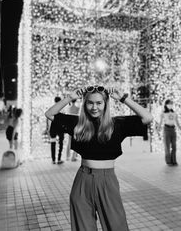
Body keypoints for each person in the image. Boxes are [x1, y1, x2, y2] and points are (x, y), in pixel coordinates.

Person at [45, 85, 153, 231]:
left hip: (107, 180)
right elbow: (50, 114)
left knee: (116, 225)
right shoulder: (79, 124)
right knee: (82, 227)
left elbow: (148, 117)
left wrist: (123, 98)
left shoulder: (117, 124)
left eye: (99, 103)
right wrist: (70, 97)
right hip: (83, 180)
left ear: (105, 104)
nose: (94, 107)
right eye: (90, 102)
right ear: (85, 104)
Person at [157, 99, 181, 166]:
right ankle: (168, 161)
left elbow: (177, 122)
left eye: (171, 103)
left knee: (174, 146)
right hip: (166, 129)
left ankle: (174, 160)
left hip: (173, 129)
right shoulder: (163, 113)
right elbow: (160, 122)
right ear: (166, 104)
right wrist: (158, 129)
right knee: (167, 146)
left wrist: (180, 128)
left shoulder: (174, 113)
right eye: (169, 103)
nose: (170, 105)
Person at [49, 96, 65, 164]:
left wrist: (47, 128)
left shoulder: (51, 108)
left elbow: (48, 118)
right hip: (60, 127)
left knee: (53, 143)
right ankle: (59, 159)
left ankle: (53, 160)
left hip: (53, 128)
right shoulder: (62, 109)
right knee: (60, 143)